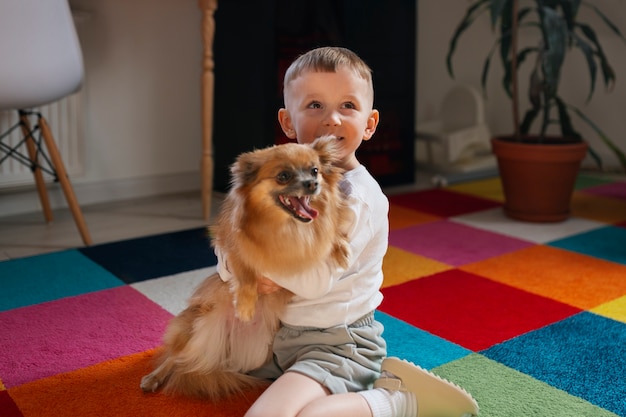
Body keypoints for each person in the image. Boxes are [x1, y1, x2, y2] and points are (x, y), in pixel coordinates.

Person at [219, 46, 479, 417]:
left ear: (370, 124)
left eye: (347, 107)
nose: (333, 120)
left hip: (338, 343)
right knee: (201, 362)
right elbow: (232, 234)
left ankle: (399, 400)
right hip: (281, 335)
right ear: (288, 122)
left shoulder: (358, 198)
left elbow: (314, 282)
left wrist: (261, 269)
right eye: (314, 106)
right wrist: (237, 269)